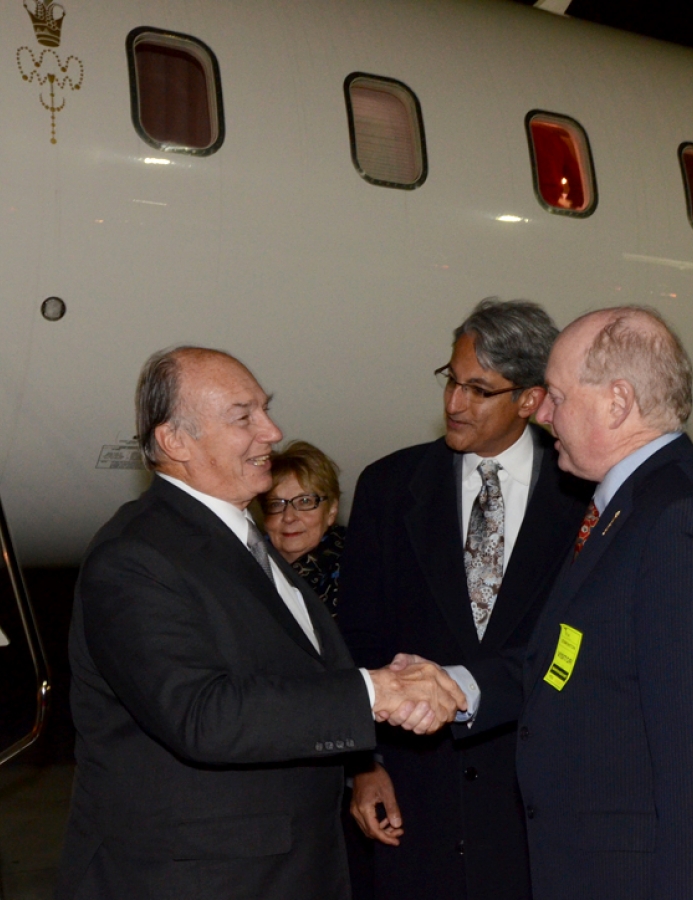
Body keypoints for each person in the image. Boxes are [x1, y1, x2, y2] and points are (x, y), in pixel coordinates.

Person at [56, 346, 466, 900]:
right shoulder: (136, 556)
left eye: (265, 410)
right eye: (243, 416)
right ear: (175, 441)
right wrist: (374, 692)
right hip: (197, 878)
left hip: (283, 866)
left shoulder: (240, 538)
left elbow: (292, 672)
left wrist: (363, 754)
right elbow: (202, 714)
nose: (271, 431)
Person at [513, 306, 693, 900]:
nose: (542, 413)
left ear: (618, 402)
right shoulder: (634, 506)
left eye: (559, 396)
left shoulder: (686, 525)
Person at [339, 299, 590, 900]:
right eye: (451, 380)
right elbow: (357, 638)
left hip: (540, 798)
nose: (454, 403)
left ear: (530, 400)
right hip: (414, 797)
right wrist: (363, 766)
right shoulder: (389, 485)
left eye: (479, 390)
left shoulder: (585, 497)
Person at [260, 440, 345, 615]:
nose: (289, 517)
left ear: (331, 510)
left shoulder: (361, 566)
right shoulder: (242, 564)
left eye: (305, 501)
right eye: (276, 504)